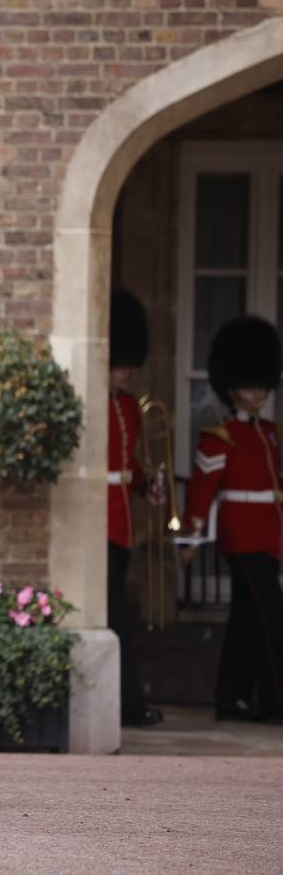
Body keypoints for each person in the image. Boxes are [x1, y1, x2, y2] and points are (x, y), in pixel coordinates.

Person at [183, 315, 283, 723]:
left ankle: (231, 698)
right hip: (241, 536)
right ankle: (274, 700)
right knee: (271, 616)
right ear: (231, 388)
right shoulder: (219, 436)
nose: (256, 393)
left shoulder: (272, 433)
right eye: (248, 385)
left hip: (268, 534)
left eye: (261, 385)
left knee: (246, 617)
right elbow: (203, 491)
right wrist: (190, 538)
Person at [106, 289, 164, 727]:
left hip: (123, 520)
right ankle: (126, 700)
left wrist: (147, 485)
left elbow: (129, 464)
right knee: (117, 614)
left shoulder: (130, 408)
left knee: (121, 610)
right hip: (102, 522)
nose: (124, 372)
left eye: (128, 364)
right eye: (118, 363)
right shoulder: (102, 405)